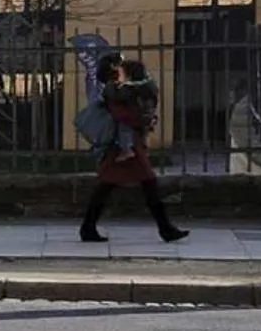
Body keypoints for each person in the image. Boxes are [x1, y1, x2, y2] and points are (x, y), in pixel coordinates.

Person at [78, 57, 186, 243]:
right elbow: (122, 115)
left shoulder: (125, 92)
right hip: (121, 149)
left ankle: (88, 227)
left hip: (126, 148)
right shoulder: (117, 93)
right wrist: (141, 119)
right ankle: (165, 228)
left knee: (109, 186)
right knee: (143, 184)